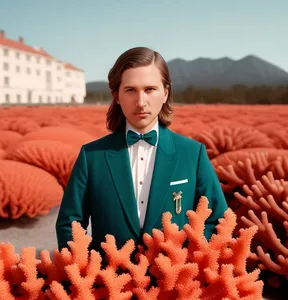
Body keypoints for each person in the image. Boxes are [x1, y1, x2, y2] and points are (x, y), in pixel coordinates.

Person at [55, 47, 228, 255]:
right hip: (109, 282)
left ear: (165, 93)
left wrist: (189, 263)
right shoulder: (91, 156)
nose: (140, 102)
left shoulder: (193, 153)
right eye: (130, 90)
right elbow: (70, 224)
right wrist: (86, 273)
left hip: (174, 280)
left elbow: (218, 219)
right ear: (116, 95)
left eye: (149, 89)